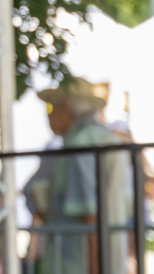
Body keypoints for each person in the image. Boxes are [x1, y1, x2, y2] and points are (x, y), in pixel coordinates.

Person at [24, 79, 129, 274]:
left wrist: (94, 269)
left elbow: (90, 212)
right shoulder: (103, 137)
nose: (49, 115)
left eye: (51, 107)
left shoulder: (80, 142)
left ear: (65, 107)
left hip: (76, 262)